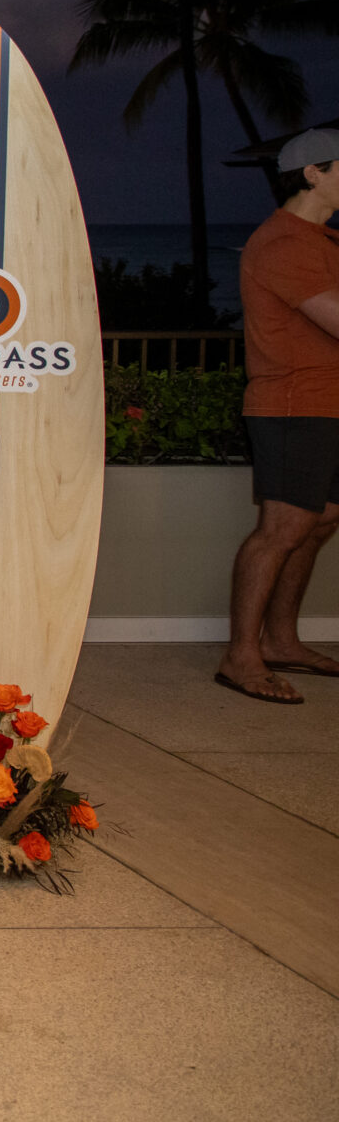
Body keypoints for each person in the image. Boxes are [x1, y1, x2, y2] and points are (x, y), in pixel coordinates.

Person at [222, 127, 339, 703]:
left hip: (328, 404)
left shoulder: (323, 239)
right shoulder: (285, 243)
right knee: (282, 530)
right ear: (314, 173)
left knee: (319, 523)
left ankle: (281, 640)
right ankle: (241, 656)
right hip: (296, 404)